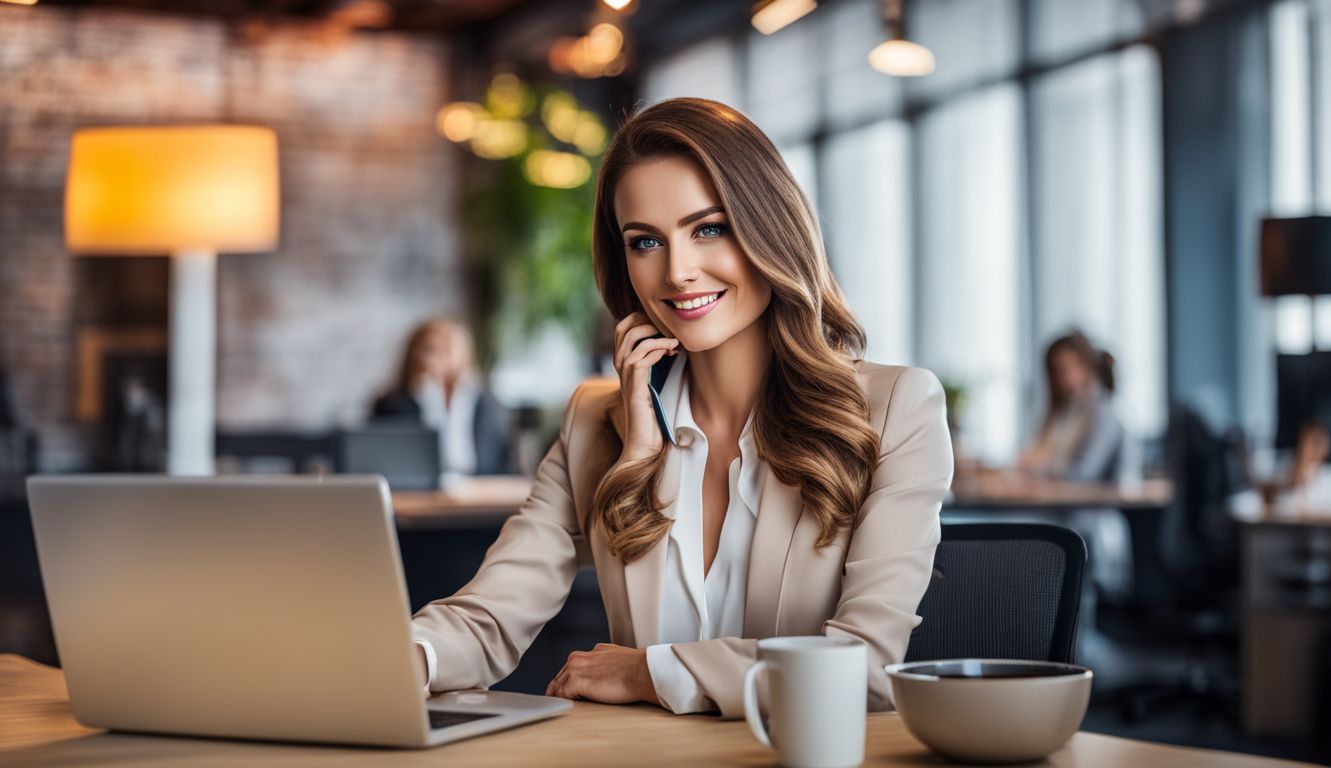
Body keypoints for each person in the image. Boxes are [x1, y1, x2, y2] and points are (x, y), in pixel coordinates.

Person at [410, 98, 953, 717]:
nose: (677, 272)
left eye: (709, 229)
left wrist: (652, 672)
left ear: (770, 228)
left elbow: (866, 668)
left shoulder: (895, 408)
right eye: (644, 242)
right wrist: (407, 656)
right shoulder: (597, 421)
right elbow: (488, 617)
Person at [371, 317, 515, 476]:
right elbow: (385, 458)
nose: (437, 357)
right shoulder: (391, 404)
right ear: (414, 353)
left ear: (463, 353)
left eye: (446, 349)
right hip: (417, 491)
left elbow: (506, 458)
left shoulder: (486, 402)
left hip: (482, 488)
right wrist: (428, 400)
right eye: (430, 349)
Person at [1018, 330, 1124, 482]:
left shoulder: (1103, 414)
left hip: (1087, 503)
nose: (1065, 378)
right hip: (1055, 499)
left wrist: (1042, 464)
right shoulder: (1062, 411)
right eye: (1058, 372)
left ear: (1088, 366)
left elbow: (1084, 473)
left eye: (1070, 368)